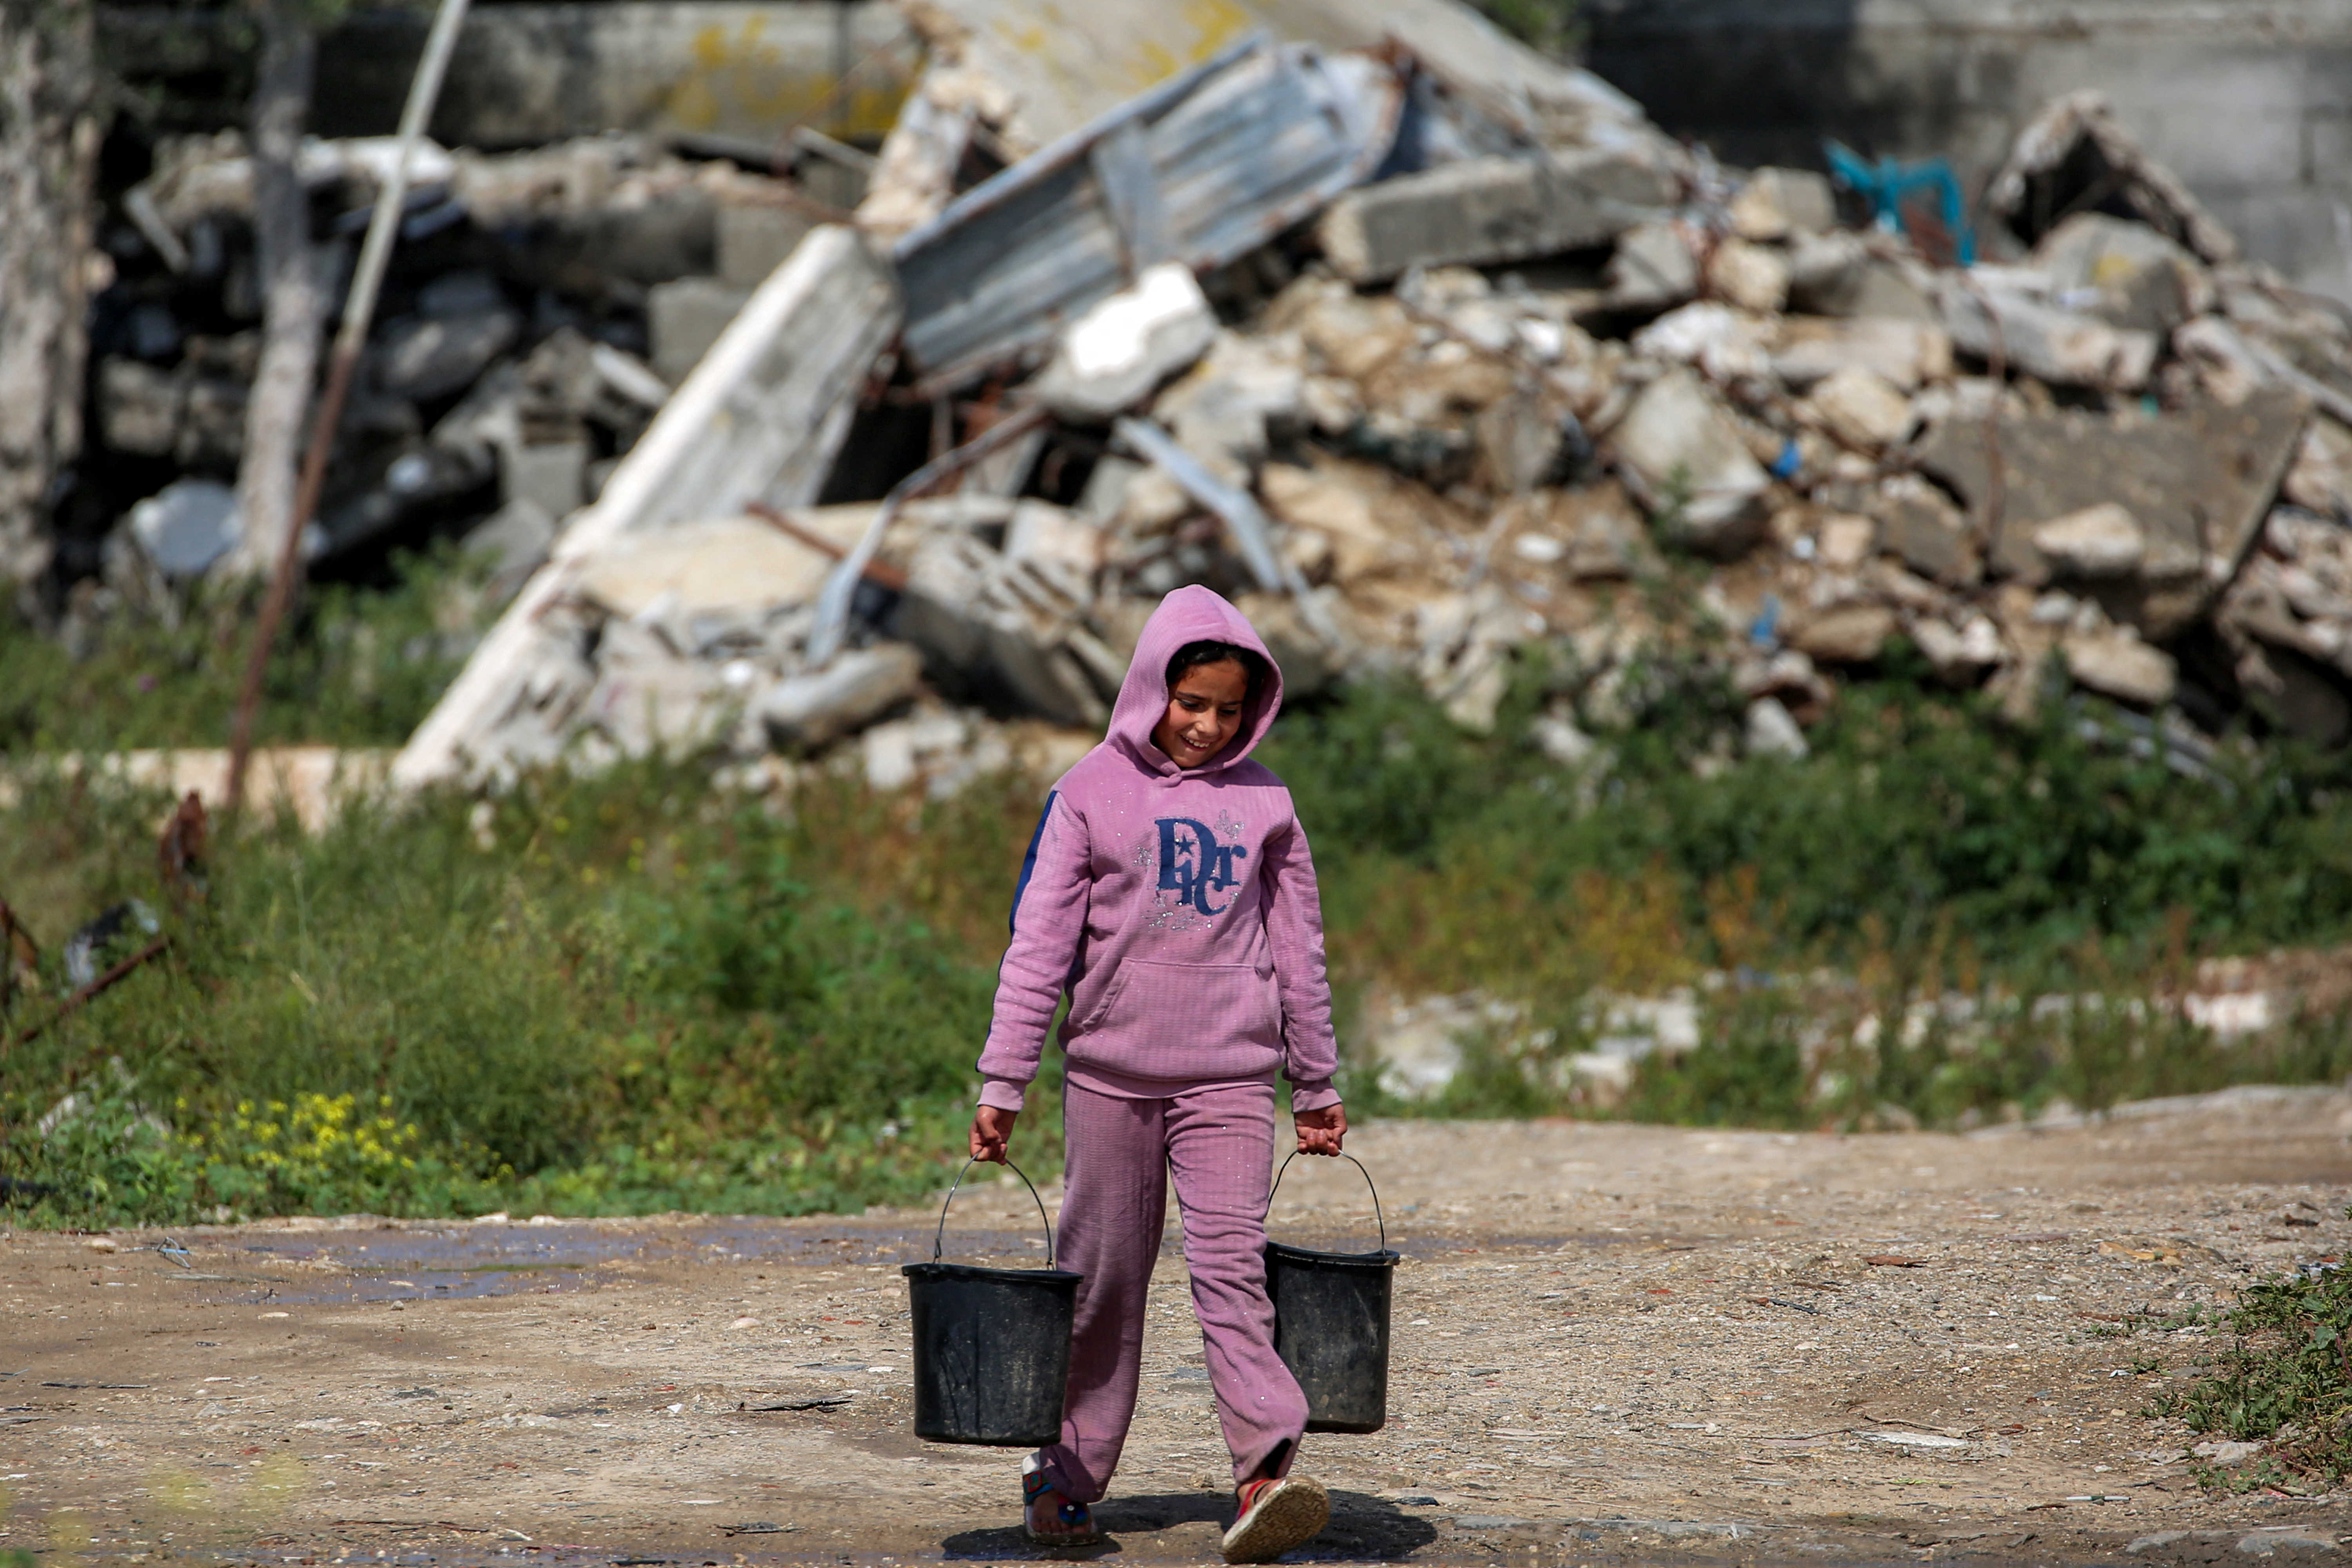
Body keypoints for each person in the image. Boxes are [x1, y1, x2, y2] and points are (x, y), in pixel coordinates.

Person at [967, 584, 1348, 1564]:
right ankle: (1068, 1474)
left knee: (1232, 1270)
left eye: (1230, 710)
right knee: (1101, 1282)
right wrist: (1003, 1079)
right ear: (1153, 687)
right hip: (1110, 1077)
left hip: (1230, 1077)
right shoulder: (1089, 789)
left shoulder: (1267, 801)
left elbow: (1299, 949)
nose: (1209, 726)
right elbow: (1038, 946)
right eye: (1193, 704)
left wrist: (1315, 1080)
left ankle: (1265, 1471)